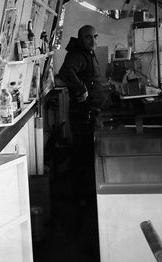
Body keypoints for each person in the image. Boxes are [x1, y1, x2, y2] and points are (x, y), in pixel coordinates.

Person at [59, 25, 108, 199]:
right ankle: (80, 197)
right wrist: (81, 89)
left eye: (95, 36)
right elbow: (66, 71)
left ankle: (85, 193)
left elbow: (91, 79)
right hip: (83, 114)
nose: (93, 40)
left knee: (87, 154)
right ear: (80, 39)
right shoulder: (78, 54)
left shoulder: (88, 53)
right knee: (83, 154)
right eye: (88, 37)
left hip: (92, 111)